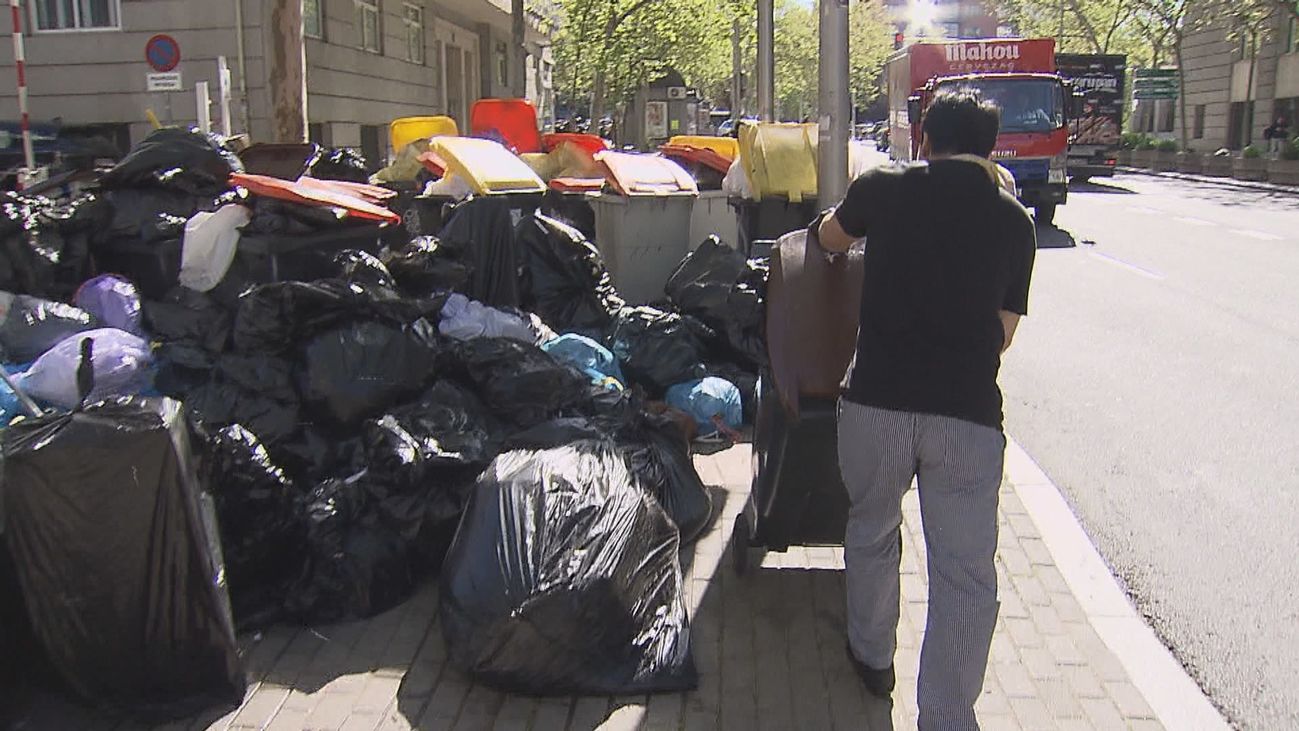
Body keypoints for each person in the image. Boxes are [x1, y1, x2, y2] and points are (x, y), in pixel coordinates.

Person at [816, 90, 1037, 730]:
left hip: (876, 402)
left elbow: (829, 237)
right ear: (990, 147)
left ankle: (871, 657)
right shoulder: (1015, 221)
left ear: (923, 137)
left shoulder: (884, 186)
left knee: (873, 530)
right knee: (966, 575)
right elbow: (1005, 331)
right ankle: (943, 713)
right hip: (966, 414)